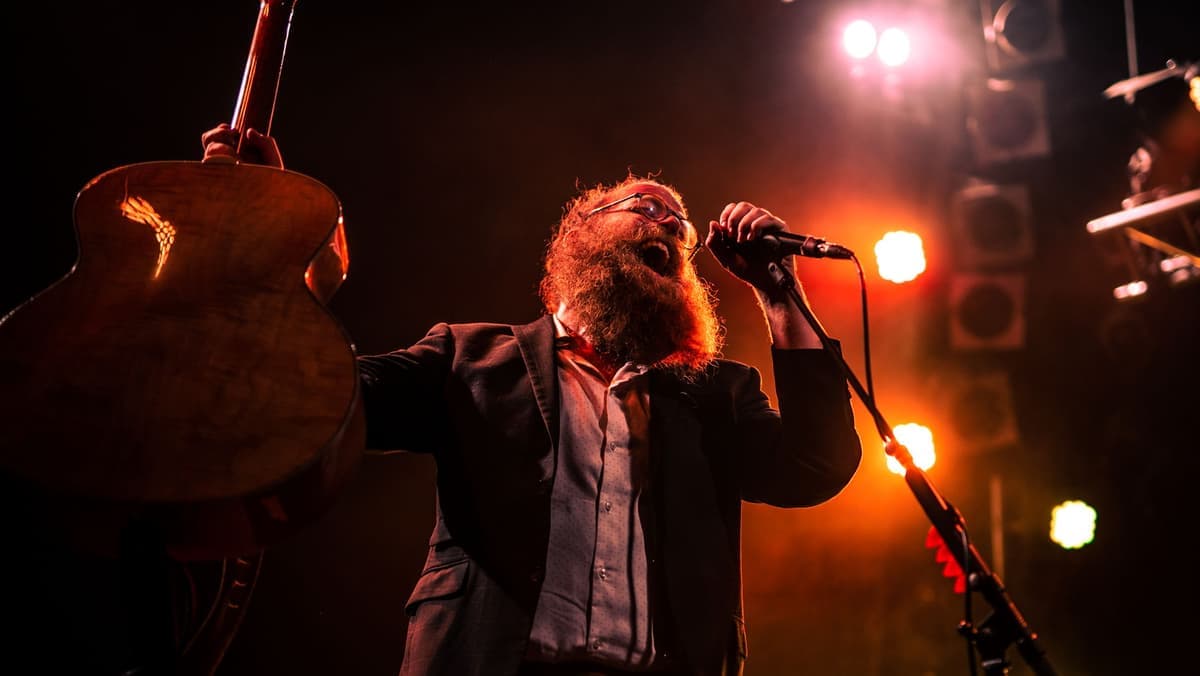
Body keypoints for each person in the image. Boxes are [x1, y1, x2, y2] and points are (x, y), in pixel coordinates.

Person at [202, 123, 863, 676]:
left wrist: (781, 297)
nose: (668, 222)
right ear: (582, 234)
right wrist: (273, 227)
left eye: (680, 228)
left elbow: (815, 464)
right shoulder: (469, 358)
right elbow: (322, 400)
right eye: (647, 206)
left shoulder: (712, 394)